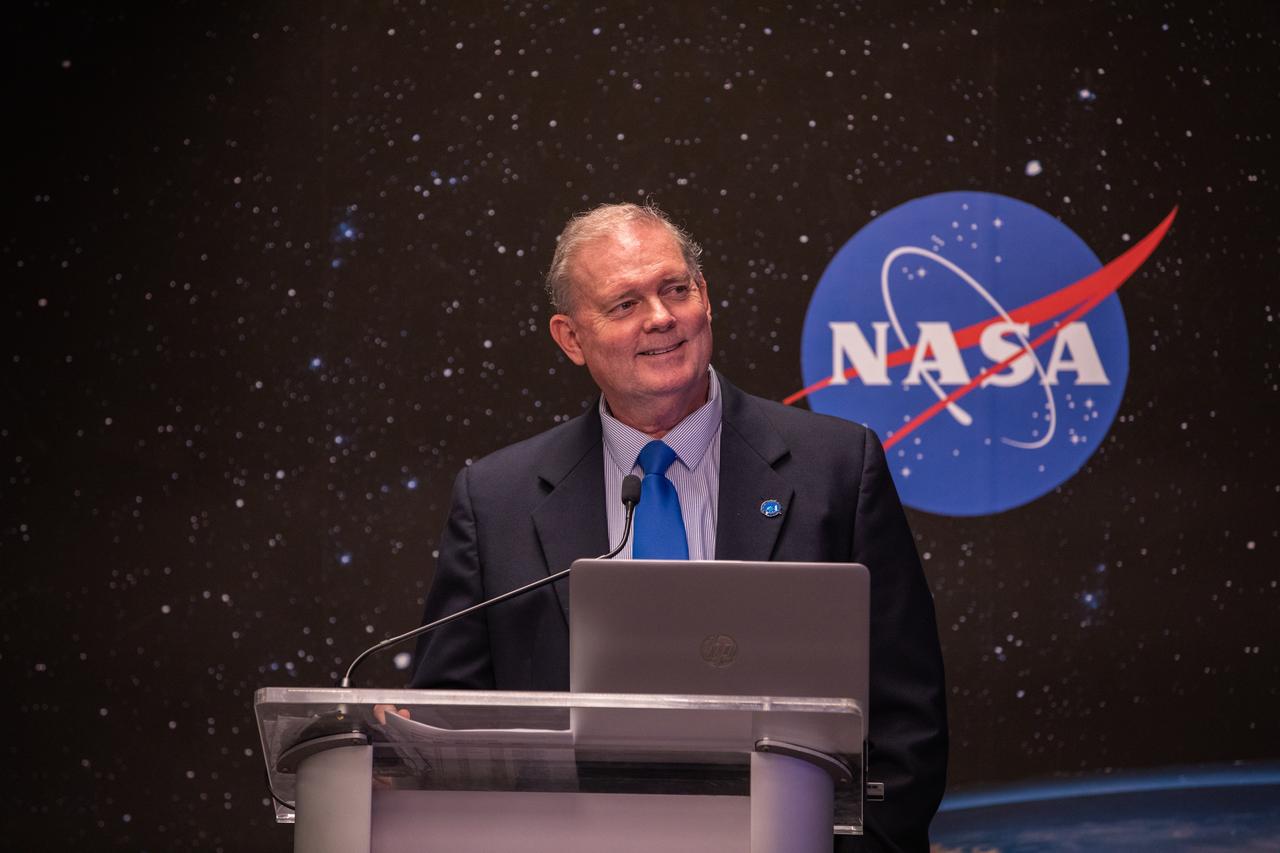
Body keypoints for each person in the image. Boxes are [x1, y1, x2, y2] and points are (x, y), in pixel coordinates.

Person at [406, 202, 948, 851]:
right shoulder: (497, 499)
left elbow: (906, 722)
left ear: (706, 298)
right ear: (571, 338)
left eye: (676, 289)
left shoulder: (836, 467)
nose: (660, 317)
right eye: (624, 303)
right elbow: (451, 725)